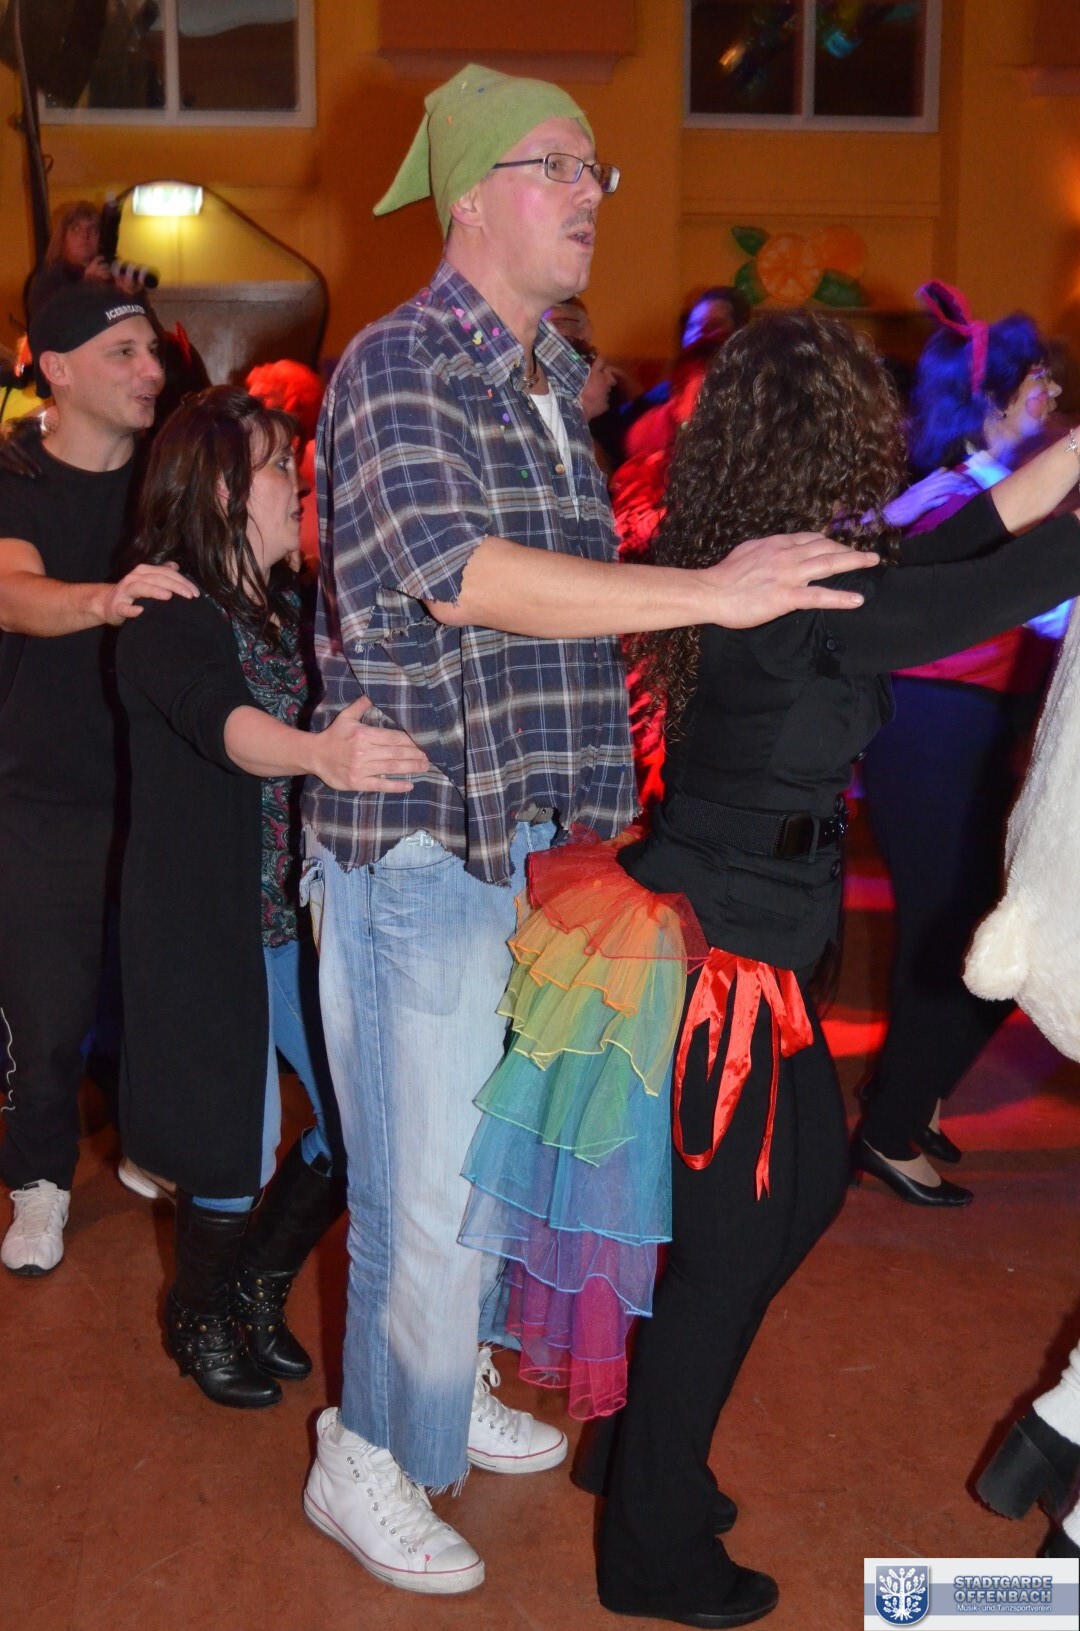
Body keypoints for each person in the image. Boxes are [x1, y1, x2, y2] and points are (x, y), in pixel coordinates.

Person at [299, 60, 876, 1598]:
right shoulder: (399, 364)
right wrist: (714, 592)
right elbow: (460, 577)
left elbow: (576, 614)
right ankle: (372, 1442)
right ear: (470, 196)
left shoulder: (550, 380)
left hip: (539, 850)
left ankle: (437, 1379)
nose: (589, 196)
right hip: (423, 844)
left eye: (595, 170)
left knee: (492, 1164)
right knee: (423, 1185)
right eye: (556, 166)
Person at [457, 309, 1080, 1626]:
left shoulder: (770, 563)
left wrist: (1065, 455)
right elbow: (992, 583)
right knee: (738, 1250)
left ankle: (632, 1454)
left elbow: (962, 538)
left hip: (745, 938)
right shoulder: (802, 601)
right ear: (840, 438)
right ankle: (650, 1547)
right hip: (717, 960)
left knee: (782, 1211)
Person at [114, 385, 429, 1408]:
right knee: (232, 1146)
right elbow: (222, 723)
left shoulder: (294, 611)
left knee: (355, 1122)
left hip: (294, 920)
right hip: (205, 927)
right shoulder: (166, 610)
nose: (299, 483)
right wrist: (317, 753)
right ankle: (199, 1312)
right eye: (280, 465)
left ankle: (254, 1282)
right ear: (220, 488)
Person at [855, 282, 1068, 1205]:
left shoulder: (985, 494)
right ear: (986, 400)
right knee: (964, 934)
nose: (1051, 394)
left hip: (964, 734)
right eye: (1035, 381)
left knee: (978, 929)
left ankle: (913, 1094)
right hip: (930, 733)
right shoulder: (950, 499)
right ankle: (891, 1124)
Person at [0, 282, 197, 1276]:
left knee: (161, 988)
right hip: (42, 787)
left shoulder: (172, 475)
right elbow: (14, 592)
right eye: (123, 353)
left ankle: (148, 1140)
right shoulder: (12, 471)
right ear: (57, 369)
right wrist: (106, 600)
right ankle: (38, 1182)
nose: (150, 370)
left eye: (152, 351)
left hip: (159, 780)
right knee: (46, 1010)